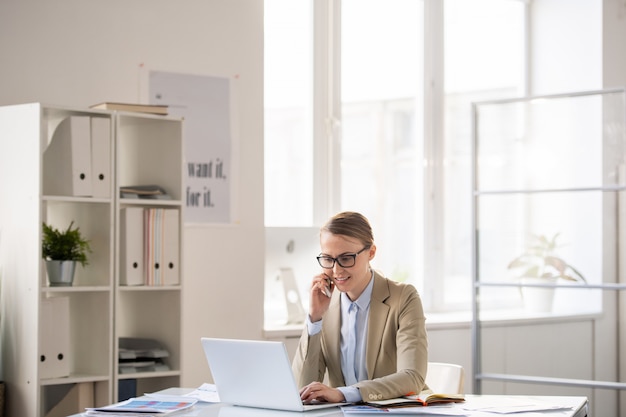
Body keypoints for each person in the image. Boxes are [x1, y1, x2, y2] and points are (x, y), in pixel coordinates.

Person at [292, 211, 428, 404]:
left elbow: (412, 377)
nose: (337, 270)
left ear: (371, 252)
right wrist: (314, 319)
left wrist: (343, 394)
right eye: (328, 259)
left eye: (346, 258)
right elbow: (301, 387)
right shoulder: (326, 304)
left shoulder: (404, 298)